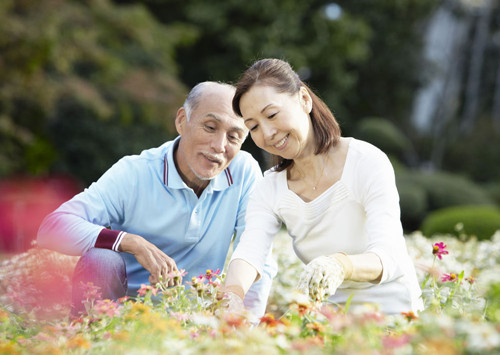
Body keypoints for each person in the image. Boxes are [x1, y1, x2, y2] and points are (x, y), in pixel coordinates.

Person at [37, 81, 276, 318]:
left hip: (194, 325)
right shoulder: (135, 172)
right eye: (210, 127)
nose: (219, 146)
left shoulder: (244, 172)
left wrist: (246, 332)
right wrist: (130, 242)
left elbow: (258, 255)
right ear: (182, 121)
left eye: (234, 136)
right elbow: (52, 227)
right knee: (101, 259)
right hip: (120, 320)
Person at [220, 59, 423, 315]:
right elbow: (250, 251)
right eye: (254, 126)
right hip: (326, 320)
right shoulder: (269, 187)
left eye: (272, 115)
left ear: (304, 99)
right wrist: (232, 295)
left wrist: (341, 265)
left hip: (393, 315)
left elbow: (389, 256)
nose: (268, 132)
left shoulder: (365, 161)